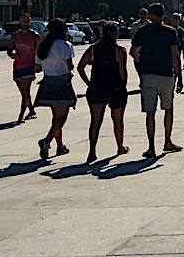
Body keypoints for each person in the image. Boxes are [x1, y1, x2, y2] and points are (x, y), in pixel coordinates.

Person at [130, 3, 184, 158]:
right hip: (166, 74)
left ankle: (151, 147)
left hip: (148, 75)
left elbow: (133, 51)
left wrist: (142, 63)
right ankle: (167, 141)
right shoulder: (170, 32)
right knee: (168, 109)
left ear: (151, 15)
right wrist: (179, 76)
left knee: (150, 112)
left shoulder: (143, 31)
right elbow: (175, 54)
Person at [77, 23, 129, 162]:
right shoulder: (119, 51)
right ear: (116, 35)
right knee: (118, 121)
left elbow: (80, 67)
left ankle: (92, 151)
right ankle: (120, 146)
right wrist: (123, 87)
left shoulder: (93, 49)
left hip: (97, 89)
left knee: (95, 121)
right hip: (115, 89)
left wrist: (88, 83)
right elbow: (123, 74)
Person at [34, 19, 77, 160]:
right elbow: (69, 66)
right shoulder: (65, 45)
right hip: (62, 82)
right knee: (61, 118)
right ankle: (47, 141)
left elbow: (38, 66)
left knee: (55, 117)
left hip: (48, 82)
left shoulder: (45, 45)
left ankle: (60, 146)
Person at [7, 13, 40, 123]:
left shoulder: (34, 35)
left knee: (25, 92)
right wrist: (11, 54)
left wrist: (39, 64)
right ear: (19, 22)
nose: (26, 24)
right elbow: (9, 49)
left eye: (28, 21)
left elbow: (41, 51)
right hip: (17, 66)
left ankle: (21, 115)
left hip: (29, 66)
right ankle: (31, 110)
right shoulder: (15, 36)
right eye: (24, 21)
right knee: (24, 92)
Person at [170, 13, 184, 78]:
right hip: (167, 49)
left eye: (176, 19)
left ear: (179, 20)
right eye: (173, 19)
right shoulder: (167, 29)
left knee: (176, 64)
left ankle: (177, 76)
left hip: (177, 49)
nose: (174, 21)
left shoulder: (181, 30)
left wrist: (182, 46)